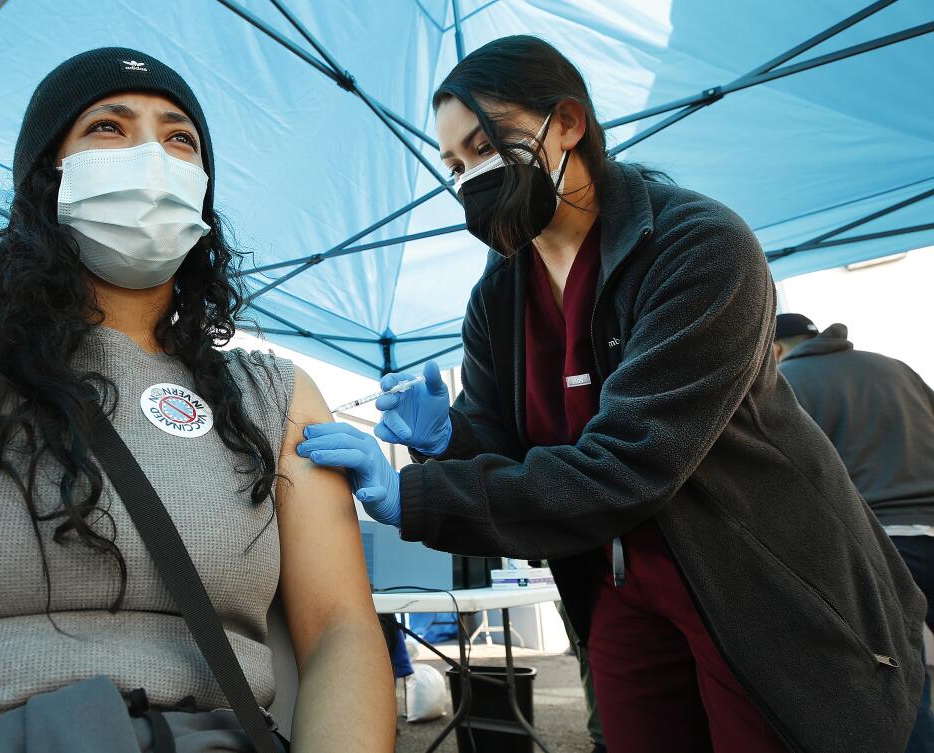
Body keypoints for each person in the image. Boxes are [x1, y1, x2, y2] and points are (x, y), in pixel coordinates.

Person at [298, 34, 925, 753]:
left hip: (758, 583)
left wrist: (415, 496)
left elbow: (631, 460)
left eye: (486, 144)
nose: (470, 175)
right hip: (617, 585)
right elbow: (504, 445)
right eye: (455, 163)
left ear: (568, 122)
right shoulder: (499, 297)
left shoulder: (698, 246)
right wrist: (448, 440)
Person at [0, 48, 394, 753]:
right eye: (108, 127)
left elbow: (343, 629)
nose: (152, 156)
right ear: (45, 176)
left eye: (179, 138)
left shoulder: (274, 393)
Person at [775, 312, 934, 753]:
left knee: (902, 682)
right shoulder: (893, 367)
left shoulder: (786, 383)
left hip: (880, 545)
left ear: (774, 349)